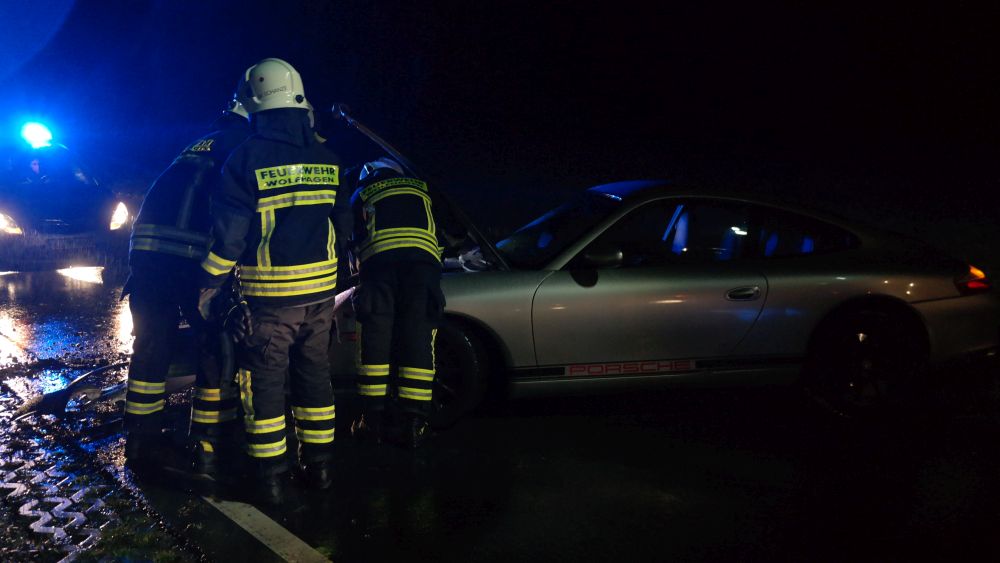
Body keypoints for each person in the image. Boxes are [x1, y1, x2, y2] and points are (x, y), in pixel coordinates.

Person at [198, 58, 349, 505]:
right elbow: (342, 226)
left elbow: (229, 237)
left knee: (262, 381)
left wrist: (208, 282)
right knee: (314, 374)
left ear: (254, 105)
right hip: (320, 296)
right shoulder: (327, 157)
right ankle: (321, 468)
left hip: (270, 298)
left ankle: (271, 478)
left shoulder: (246, 159)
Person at [123, 90, 252, 473]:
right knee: (215, 340)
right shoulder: (245, 146)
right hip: (190, 255)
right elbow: (240, 213)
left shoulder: (200, 144)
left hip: (146, 253)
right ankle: (211, 438)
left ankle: (142, 441)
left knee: (152, 345)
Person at [348, 157, 445, 449]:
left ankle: (371, 421)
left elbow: (351, 238)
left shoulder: (361, 193)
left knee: (375, 336)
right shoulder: (422, 187)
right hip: (422, 270)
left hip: (379, 268)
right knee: (417, 336)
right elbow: (446, 233)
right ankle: (415, 424)